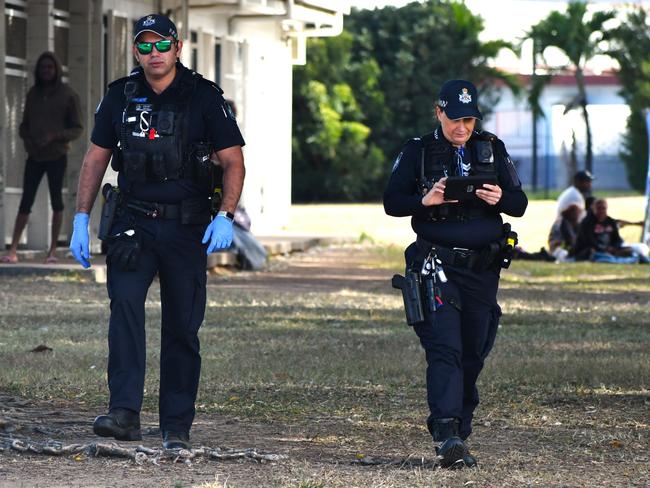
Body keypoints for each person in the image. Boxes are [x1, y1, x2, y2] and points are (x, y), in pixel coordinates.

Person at [68, 14, 245, 450]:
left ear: (178, 47)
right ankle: (124, 413)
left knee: (182, 327)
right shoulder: (120, 97)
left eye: (161, 45)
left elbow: (233, 160)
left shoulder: (204, 97)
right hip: (133, 223)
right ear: (136, 51)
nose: (153, 54)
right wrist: (79, 218)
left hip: (186, 227)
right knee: (125, 310)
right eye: (144, 46)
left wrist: (225, 213)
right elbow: (95, 159)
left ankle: (176, 426)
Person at [383, 80, 527, 468]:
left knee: (473, 351)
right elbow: (391, 202)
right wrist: (423, 200)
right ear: (438, 112)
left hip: (482, 269)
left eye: (468, 120)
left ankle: (461, 430)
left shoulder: (491, 148)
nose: (461, 128)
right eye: (454, 119)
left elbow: (520, 204)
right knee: (444, 347)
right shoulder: (418, 151)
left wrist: (501, 198)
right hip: (436, 266)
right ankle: (446, 433)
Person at [1, 52, 83, 264]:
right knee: (26, 200)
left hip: (57, 155)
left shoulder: (68, 95)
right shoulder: (32, 94)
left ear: (56, 70)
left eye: (50, 67)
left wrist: (55, 137)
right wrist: (29, 139)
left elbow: (77, 128)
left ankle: (53, 250)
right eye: (43, 67)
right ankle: (13, 249)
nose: (46, 71)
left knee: (57, 201)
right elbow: (23, 125)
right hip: (35, 156)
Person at [572, 198, 649, 263]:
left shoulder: (610, 222)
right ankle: (630, 260)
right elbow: (590, 242)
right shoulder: (587, 223)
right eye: (599, 208)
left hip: (611, 251)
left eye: (603, 208)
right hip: (592, 251)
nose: (601, 211)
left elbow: (617, 239)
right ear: (593, 209)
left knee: (630, 250)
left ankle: (635, 259)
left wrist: (615, 248)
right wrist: (605, 249)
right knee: (598, 255)